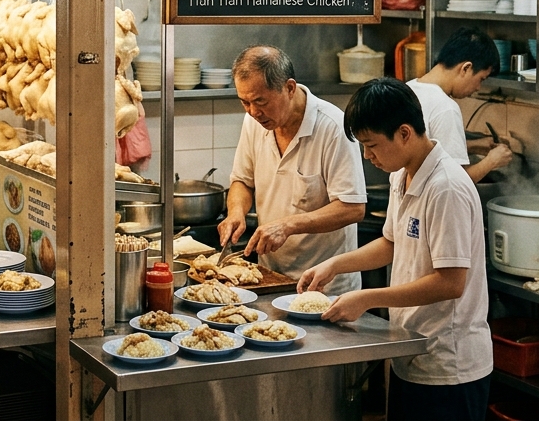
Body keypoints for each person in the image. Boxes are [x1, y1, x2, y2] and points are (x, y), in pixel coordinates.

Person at [299, 78, 492, 421]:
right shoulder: (401, 175)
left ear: (404, 133)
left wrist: (367, 298)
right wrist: (335, 265)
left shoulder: (446, 187)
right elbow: (391, 242)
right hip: (412, 350)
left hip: (450, 366)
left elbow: (450, 282)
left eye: (371, 145)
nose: (367, 155)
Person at [217, 45, 367, 293]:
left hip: (325, 286)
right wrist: (236, 212)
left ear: (289, 88)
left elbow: (352, 208)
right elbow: (242, 181)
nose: (253, 112)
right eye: (245, 102)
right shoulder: (254, 122)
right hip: (270, 277)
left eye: (261, 101)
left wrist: (287, 226)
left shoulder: (333, 127)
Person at [408, 27, 513, 184]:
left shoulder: (408, 89)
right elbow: (454, 183)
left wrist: (473, 146)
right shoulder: (445, 107)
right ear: (466, 68)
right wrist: (491, 161)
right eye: (481, 79)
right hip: (429, 199)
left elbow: (426, 151)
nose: (478, 88)